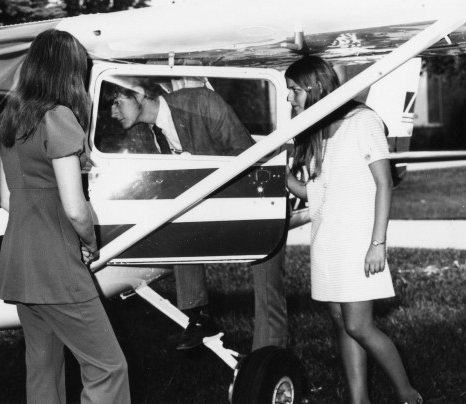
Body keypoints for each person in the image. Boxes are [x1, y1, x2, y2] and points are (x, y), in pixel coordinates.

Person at [0, 29, 130, 404]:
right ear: (68, 72)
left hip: (19, 264)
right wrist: (89, 241)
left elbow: (6, 200)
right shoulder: (58, 118)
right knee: (108, 369)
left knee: (43, 369)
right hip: (57, 267)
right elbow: (74, 207)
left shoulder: (11, 117)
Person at [107, 79, 288, 351]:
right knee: (174, 217)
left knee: (267, 280)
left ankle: (271, 354)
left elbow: (246, 153)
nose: (112, 112)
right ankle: (199, 315)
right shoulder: (142, 133)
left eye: (117, 102)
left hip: (254, 195)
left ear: (141, 94)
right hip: (207, 206)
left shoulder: (201, 102)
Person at [284, 55, 422, 404]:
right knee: (342, 323)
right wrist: (284, 179)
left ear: (315, 88)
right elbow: (321, 192)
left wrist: (378, 243)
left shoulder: (363, 121)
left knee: (359, 326)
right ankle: (359, 401)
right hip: (327, 240)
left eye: (294, 91)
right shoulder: (317, 129)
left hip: (358, 240)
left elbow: (384, 183)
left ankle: (408, 395)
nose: (290, 99)